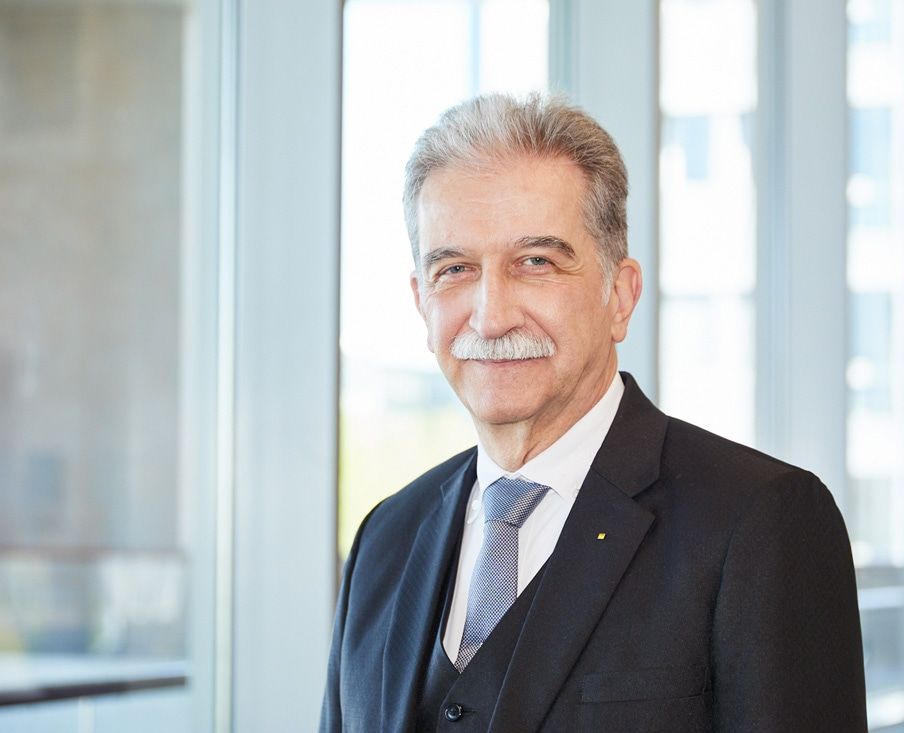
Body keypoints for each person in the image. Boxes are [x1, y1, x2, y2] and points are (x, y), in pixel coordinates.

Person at [320, 93, 866, 732]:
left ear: (620, 296)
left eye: (536, 263)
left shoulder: (760, 523)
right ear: (422, 302)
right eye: (456, 269)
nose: (491, 318)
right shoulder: (384, 540)